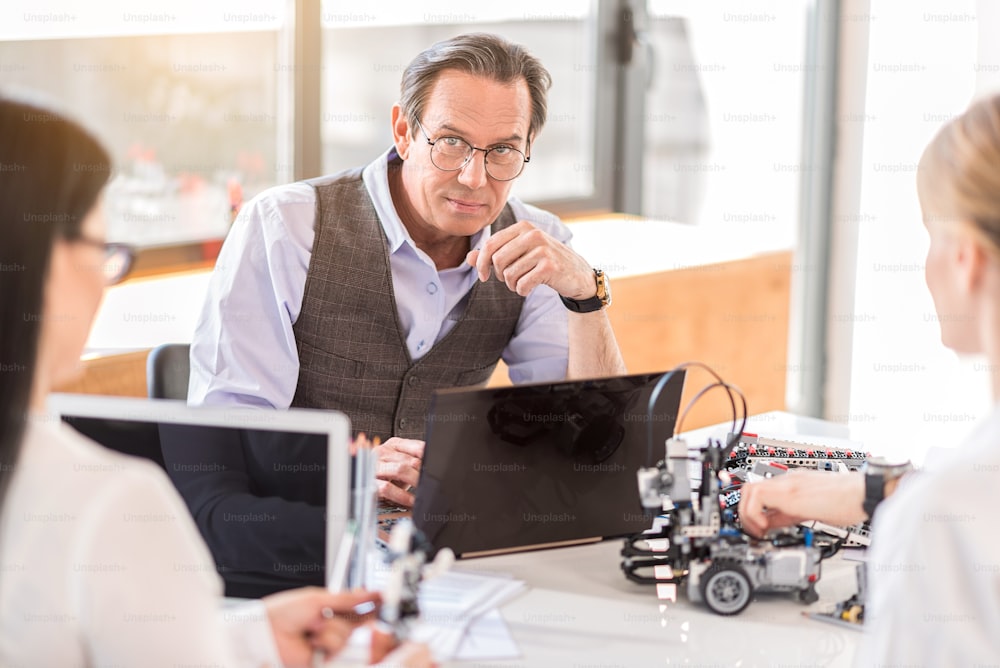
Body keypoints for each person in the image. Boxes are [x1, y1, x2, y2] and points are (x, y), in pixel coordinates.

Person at [171, 32, 626, 594]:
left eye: (503, 150)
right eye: (452, 143)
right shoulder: (285, 227)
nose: (474, 178)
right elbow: (230, 430)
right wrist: (352, 464)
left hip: (445, 563)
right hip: (295, 553)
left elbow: (595, 450)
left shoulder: (538, 244)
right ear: (404, 131)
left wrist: (585, 292)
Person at [0, 95, 429, 667]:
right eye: (103, 250)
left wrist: (244, 640)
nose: (106, 282)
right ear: (34, 262)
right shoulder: (109, 504)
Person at [739, 93, 1000, 663]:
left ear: (967, 259)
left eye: (931, 236)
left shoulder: (941, 522)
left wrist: (915, 507)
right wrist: (863, 492)